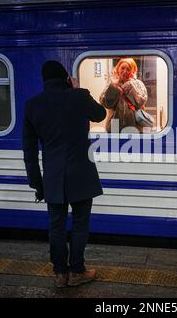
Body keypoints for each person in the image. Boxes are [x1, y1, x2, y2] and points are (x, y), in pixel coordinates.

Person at [22, 60, 106, 288]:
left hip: (53, 177)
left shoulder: (32, 105)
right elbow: (99, 114)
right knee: (80, 224)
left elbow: (29, 151)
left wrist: (37, 184)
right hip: (81, 174)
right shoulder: (78, 96)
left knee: (56, 225)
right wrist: (77, 89)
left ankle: (60, 274)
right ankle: (77, 271)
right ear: (66, 78)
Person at [99, 58, 148, 132]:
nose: (125, 71)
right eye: (122, 68)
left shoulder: (138, 84)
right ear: (118, 68)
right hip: (114, 124)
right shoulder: (112, 83)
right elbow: (106, 104)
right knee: (114, 143)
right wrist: (114, 86)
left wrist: (129, 85)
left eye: (128, 69)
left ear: (133, 71)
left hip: (134, 124)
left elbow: (140, 103)